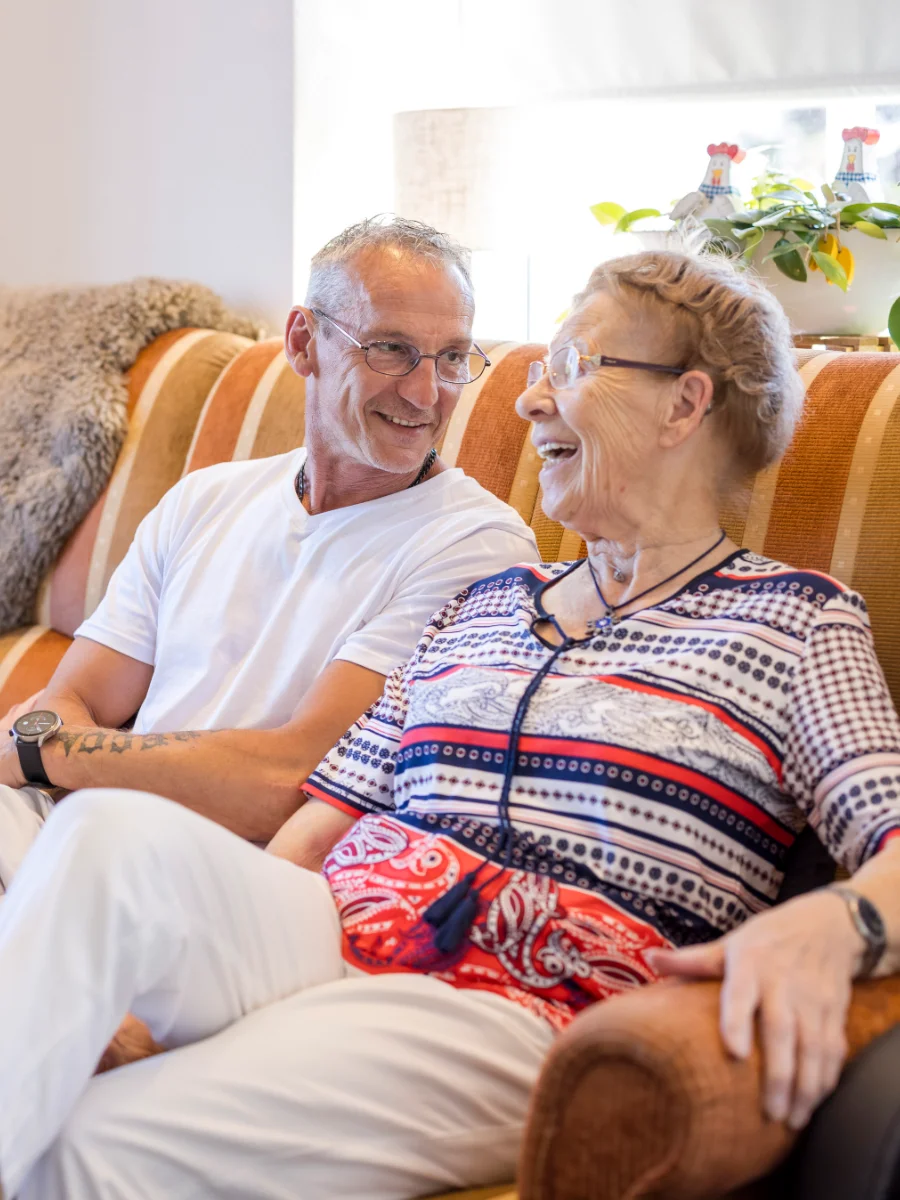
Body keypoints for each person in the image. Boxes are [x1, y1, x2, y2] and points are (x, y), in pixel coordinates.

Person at [2, 249, 899, 1200]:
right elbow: (319, 823)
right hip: (335, 921)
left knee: (92, 1148)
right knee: (106, 832)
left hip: (516, 995)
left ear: (685, 405)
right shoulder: (488, 604)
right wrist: (174, 967)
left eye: (574, 365)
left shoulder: (797, 621)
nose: (525, 402)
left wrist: (838, 925)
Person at [0, 216, 537, 895]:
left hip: (218, 878)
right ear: (303, 342)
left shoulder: (474, 545)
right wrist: (60, 757)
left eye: (453, 357)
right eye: (392, 349)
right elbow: (71, 697)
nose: (427, 393)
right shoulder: (204, 499)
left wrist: (56, 754)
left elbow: (292, 778)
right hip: (79, 828)